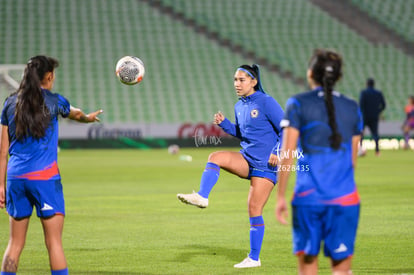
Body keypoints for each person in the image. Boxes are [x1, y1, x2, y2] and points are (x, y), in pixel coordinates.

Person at [0, 55, 102, 275]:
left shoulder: (9, 103)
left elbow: (2, 152)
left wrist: (1, 186)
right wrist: (88, 118)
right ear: (48, 76)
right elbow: (76, 114)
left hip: (15, 180)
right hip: (45, 179)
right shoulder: (54, 101)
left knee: (15, 244)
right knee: (54, 243)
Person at [177, 64, 284, 268]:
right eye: (235, 79)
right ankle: (202, 196)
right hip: (247, 158)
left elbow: (285, 129)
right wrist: (225, 124)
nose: (237, 84)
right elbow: (243, 134)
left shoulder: (266, 102)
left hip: (266, 164)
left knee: (254, 209)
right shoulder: (239, 106)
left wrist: (277, 152)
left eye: (241, 80)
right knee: (215, 156)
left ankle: (254, 258)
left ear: (253, 82)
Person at [275, 49, 362, 275]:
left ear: (310, 73)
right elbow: (352, 160)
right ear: (339, 77)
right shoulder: (353, 107)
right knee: (342, 271)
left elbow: (287, 154)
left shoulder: (298, 103)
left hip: (308, 199)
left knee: (308, 269)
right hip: (345, 199)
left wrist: (280, 195)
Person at [358, 77, 386, 156]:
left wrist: (361, 115)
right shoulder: (378, 93)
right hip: (374, 116)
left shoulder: (364, 93)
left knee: (361, 133)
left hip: (365, 116)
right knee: (375, 134)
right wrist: (378, 112)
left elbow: (361, 105)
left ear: (367, 84)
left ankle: (360, 149)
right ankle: (377, 151)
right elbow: (383, 105)